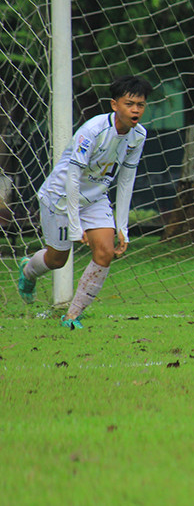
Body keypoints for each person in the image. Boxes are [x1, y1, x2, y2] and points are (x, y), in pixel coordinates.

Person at [15, 76, 152, 329]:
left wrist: (123, 226)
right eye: (129, 104)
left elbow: (126, 181)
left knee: (106, 252)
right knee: (57, 259)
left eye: (140, 105)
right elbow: (72, 177)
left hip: (94, 198)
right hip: (61, 197)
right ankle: (28, 270)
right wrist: (75, 225)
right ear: (114, 104)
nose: (135, 110)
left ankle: (71, 316)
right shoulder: (93, 130)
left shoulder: (138, 136)